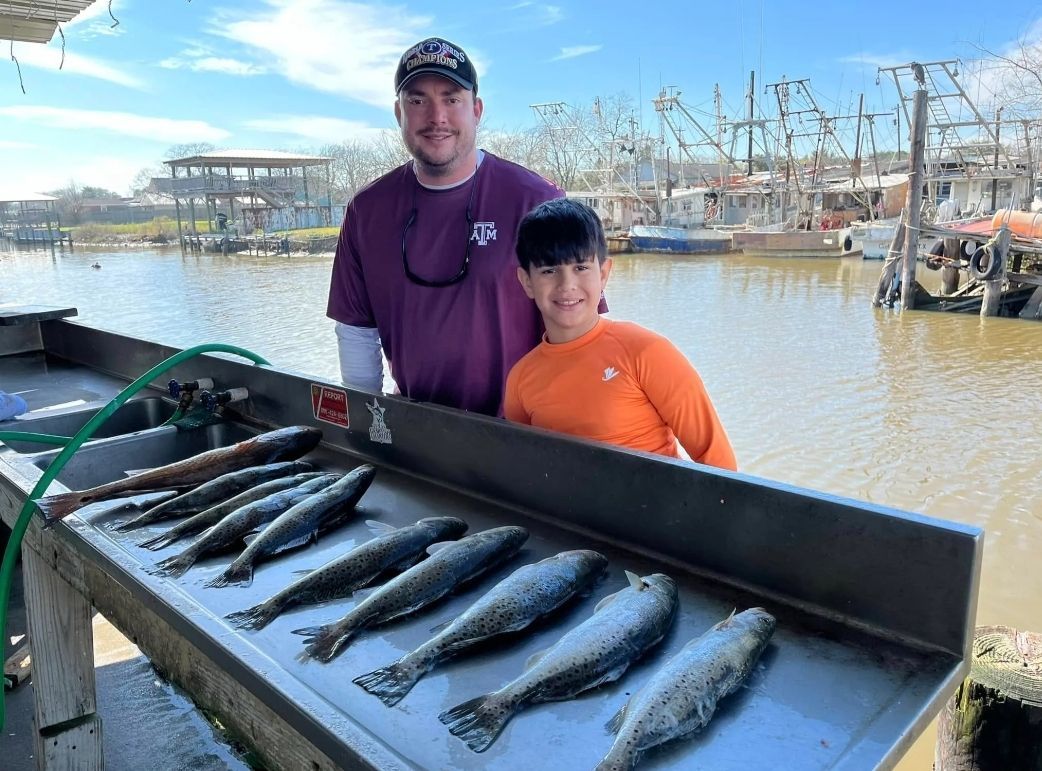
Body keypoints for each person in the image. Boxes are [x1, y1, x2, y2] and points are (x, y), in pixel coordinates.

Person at [326, 36, 564, 416]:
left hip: (523, 433)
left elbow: (581, 328)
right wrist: (364, 426)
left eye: (452, 98)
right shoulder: (365, 210)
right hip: (417, 428)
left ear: (477, 110)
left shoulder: (537, 201)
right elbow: (356, 332)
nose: (436, 117)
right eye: (417, 100)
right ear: (398, 113)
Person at [504, 199, 737, 471]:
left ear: (603, 274)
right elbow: (526, 466)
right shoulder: (520, 380)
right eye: (549, 270)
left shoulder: (647, 353)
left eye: (580, 268)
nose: (567, 285)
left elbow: (718, 463)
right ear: (527, 282)